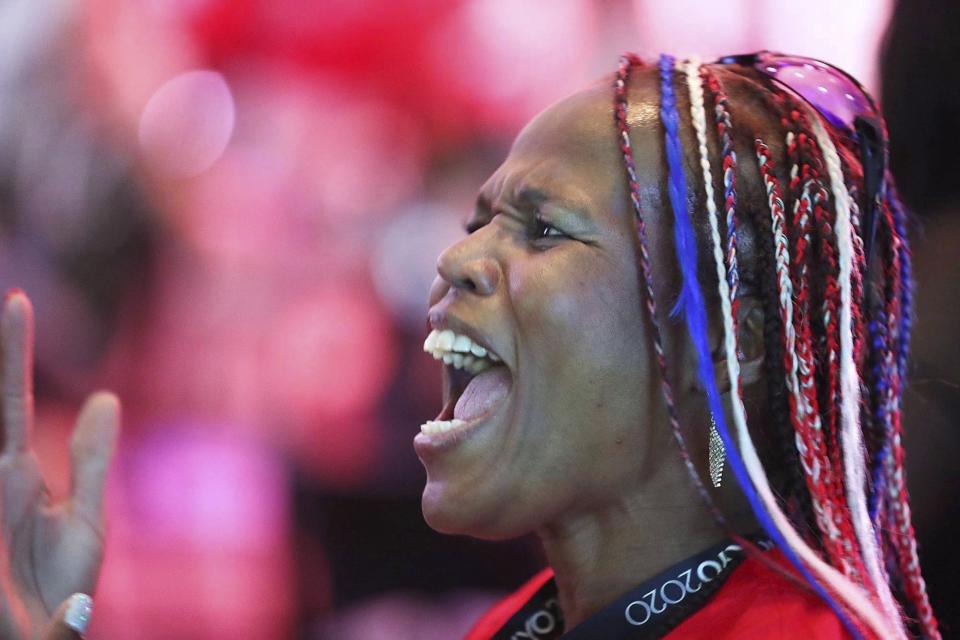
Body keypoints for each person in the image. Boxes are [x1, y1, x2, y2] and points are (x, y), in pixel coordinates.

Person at [0, 52, 939, 639]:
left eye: (542, 231)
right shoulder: (514, 626)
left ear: (725, 341)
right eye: (476, 220)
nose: (453, 260)